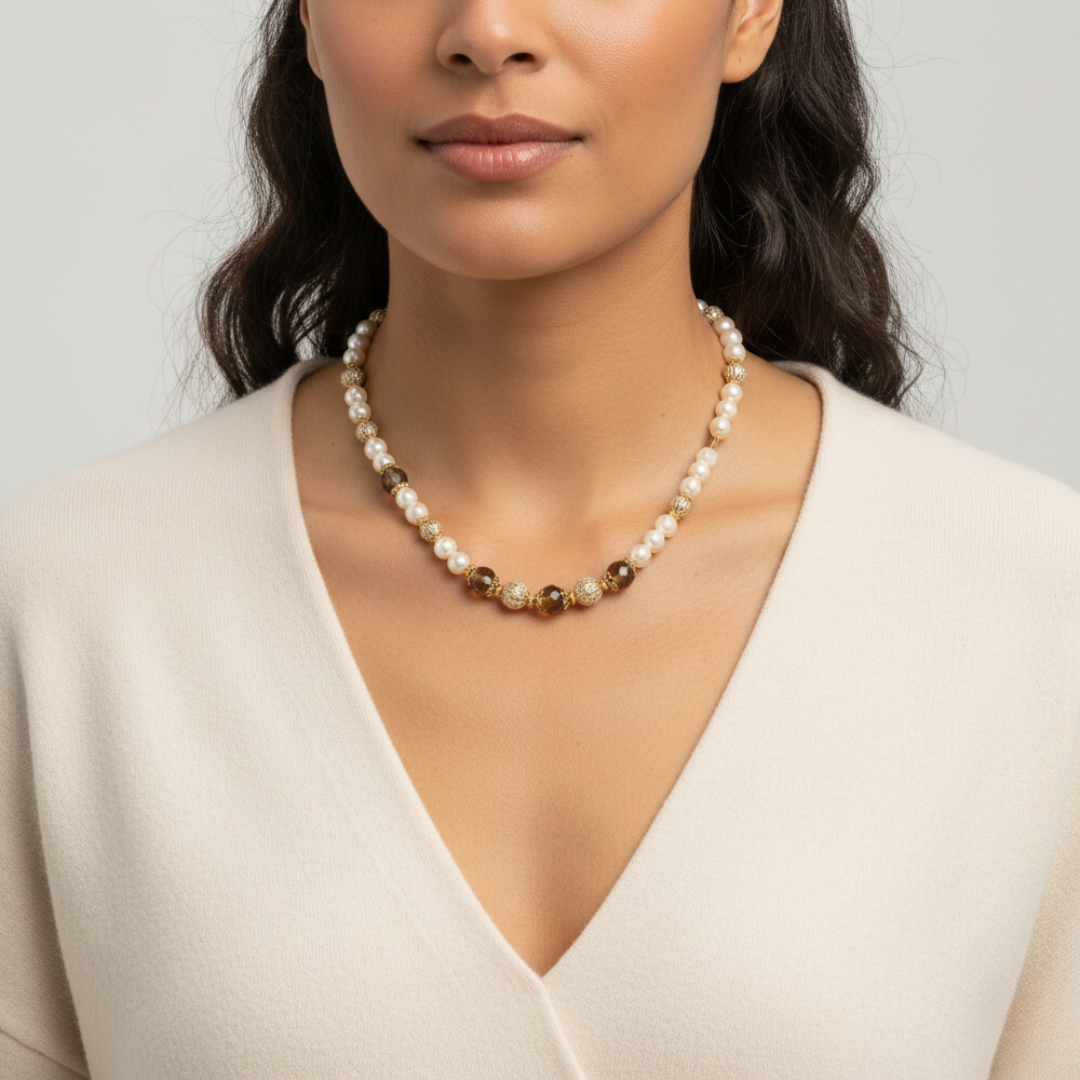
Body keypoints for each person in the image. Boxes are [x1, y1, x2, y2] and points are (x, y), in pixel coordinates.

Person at [2, 0, 1077, 1075]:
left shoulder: (1027, 598)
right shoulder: (65, 603)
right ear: (314, 23)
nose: (488, 30)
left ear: (751, 14)